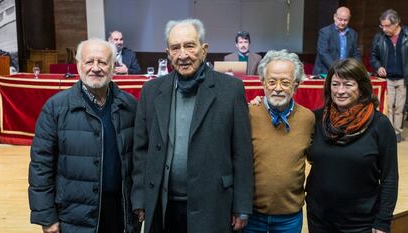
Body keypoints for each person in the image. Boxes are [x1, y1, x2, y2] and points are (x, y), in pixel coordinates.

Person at [132, 18, 254, 233]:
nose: (183, 55)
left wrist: (242, 205)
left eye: (189, 46)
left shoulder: (231, 90)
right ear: (168, 53)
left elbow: (242, 153)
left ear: (204, 50)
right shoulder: (151, 91)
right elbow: (141, 151)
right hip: (163, 204)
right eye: (175, 48)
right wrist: (141, 198)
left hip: (214, 203)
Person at [28, 38, 138, 233]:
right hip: (73, 214)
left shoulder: (130, 106)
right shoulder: (55, 108)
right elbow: (40, 166)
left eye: (103, 62)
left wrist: (140, 201)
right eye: (89, 61)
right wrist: (46, 215)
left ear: (113, 67)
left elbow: (140, 161)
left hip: (120, 212)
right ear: (78, 66)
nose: (95, 68)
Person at [306, 58, 398, 233]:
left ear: (361, 87)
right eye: (335, 84)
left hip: (361, 222)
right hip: (319, 219)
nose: (340, 91)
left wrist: (383, 221)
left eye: (348, 85)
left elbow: (390, 177)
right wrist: (258, 103)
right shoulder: (316, 119)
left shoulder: (380, 124)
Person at [245, 50, 315, 233]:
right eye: (272, 81)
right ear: (262, 83)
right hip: (251, 215)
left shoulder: (307, 119)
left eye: (285, 82)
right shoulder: (247, 114)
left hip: (289, 217)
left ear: (296, 85)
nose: (278, 88)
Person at [370, 9, 408, 143]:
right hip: (387, 79)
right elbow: (373, 56)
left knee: (400, 107)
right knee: (388, 106)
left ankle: (398, 132)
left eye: (387, 26)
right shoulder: (379, 37)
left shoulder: (406, 35)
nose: (384, 29)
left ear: (397, 23)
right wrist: (378, 66)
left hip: (403, 79)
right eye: (382, 26)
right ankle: (390, 132)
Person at [313, 6, 361, 76]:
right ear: (335, 17)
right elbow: (323, 53)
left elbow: (356, 54)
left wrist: (353, 68)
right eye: (340, 19)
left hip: (346, 73)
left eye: (345, 20)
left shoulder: (353, 34)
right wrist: (338, 69)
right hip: (325, 72)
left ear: (349, 18)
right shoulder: (325, 32)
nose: (342, 23)